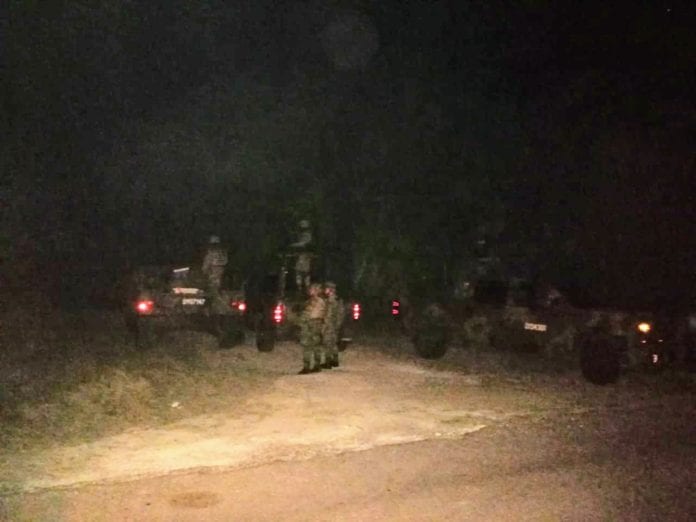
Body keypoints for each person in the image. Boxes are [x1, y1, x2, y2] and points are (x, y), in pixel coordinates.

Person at [298, 282, 326, 374]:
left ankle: (317, 365)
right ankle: (306, 366)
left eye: (312, 289)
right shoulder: (308, 301)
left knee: (315, 345)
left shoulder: (320, 302)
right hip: (308, 323)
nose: (310, 291)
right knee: (306, 345)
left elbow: (320, 314)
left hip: (315, 323)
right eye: (310, 289)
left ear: (317, 291)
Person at [322, 281, 345, 368]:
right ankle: (335, 360)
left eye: (326, 288)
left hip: (330, 325)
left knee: (327, 343)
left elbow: (330, 314)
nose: (325, 290)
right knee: (333, 343)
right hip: (333, 325)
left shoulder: (331, 301)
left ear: (330, 290)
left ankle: (328, 362)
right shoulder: (337, 300)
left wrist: (326, 325)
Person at [289, 219, 313, 292]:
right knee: (298, 272)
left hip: (305, 255)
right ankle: (299, 287)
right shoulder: (299, 235)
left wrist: (294, 245)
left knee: (305, 272)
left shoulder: (307, 235)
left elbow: (305, 244)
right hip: (299, 255)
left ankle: (306, 288)